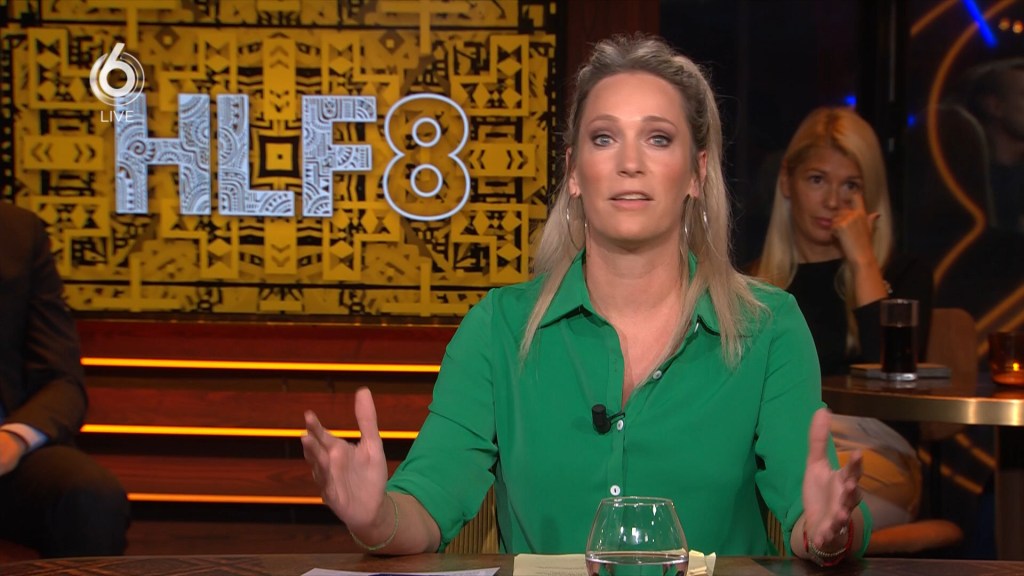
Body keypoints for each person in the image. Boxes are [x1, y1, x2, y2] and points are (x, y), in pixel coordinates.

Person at [303, 34, 869, 562]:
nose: (630, 162)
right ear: (575, 172)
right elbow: (428, 503)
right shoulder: (498, 327)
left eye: (658, 138)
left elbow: (815, 517)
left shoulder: (767, 327)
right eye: (604, 138)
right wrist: (375, 517)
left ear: (697, 173)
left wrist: (829, 530)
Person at [752, 107, 933, 530]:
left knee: (813, 509)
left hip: (876, 450)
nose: (833, 202)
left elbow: (892, 379)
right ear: (787, 182)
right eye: (817, 180)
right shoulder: (753, 287)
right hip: (781, 448)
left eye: (851, 185)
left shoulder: (905, 273)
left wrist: (863, 260)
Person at [0, 202, 130, 557]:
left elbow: (62, 380)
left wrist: (13, 439)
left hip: (7, 459)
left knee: (91, 496)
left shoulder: (17, 232)